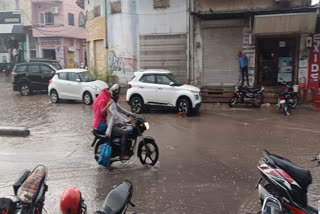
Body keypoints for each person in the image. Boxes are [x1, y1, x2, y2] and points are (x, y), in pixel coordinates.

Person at [106, 84, 136, 160]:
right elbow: (117, 116)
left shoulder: (115, 103)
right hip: (112, 127)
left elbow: (121, 110)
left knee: (130, 129)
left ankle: (126, 148)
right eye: (118, 94)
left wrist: (130, 114)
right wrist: (126, 121)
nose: (119, 95)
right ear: (115, 95)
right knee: (124, 133)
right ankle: (122, 154)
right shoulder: (112, 104)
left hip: (116, 124)